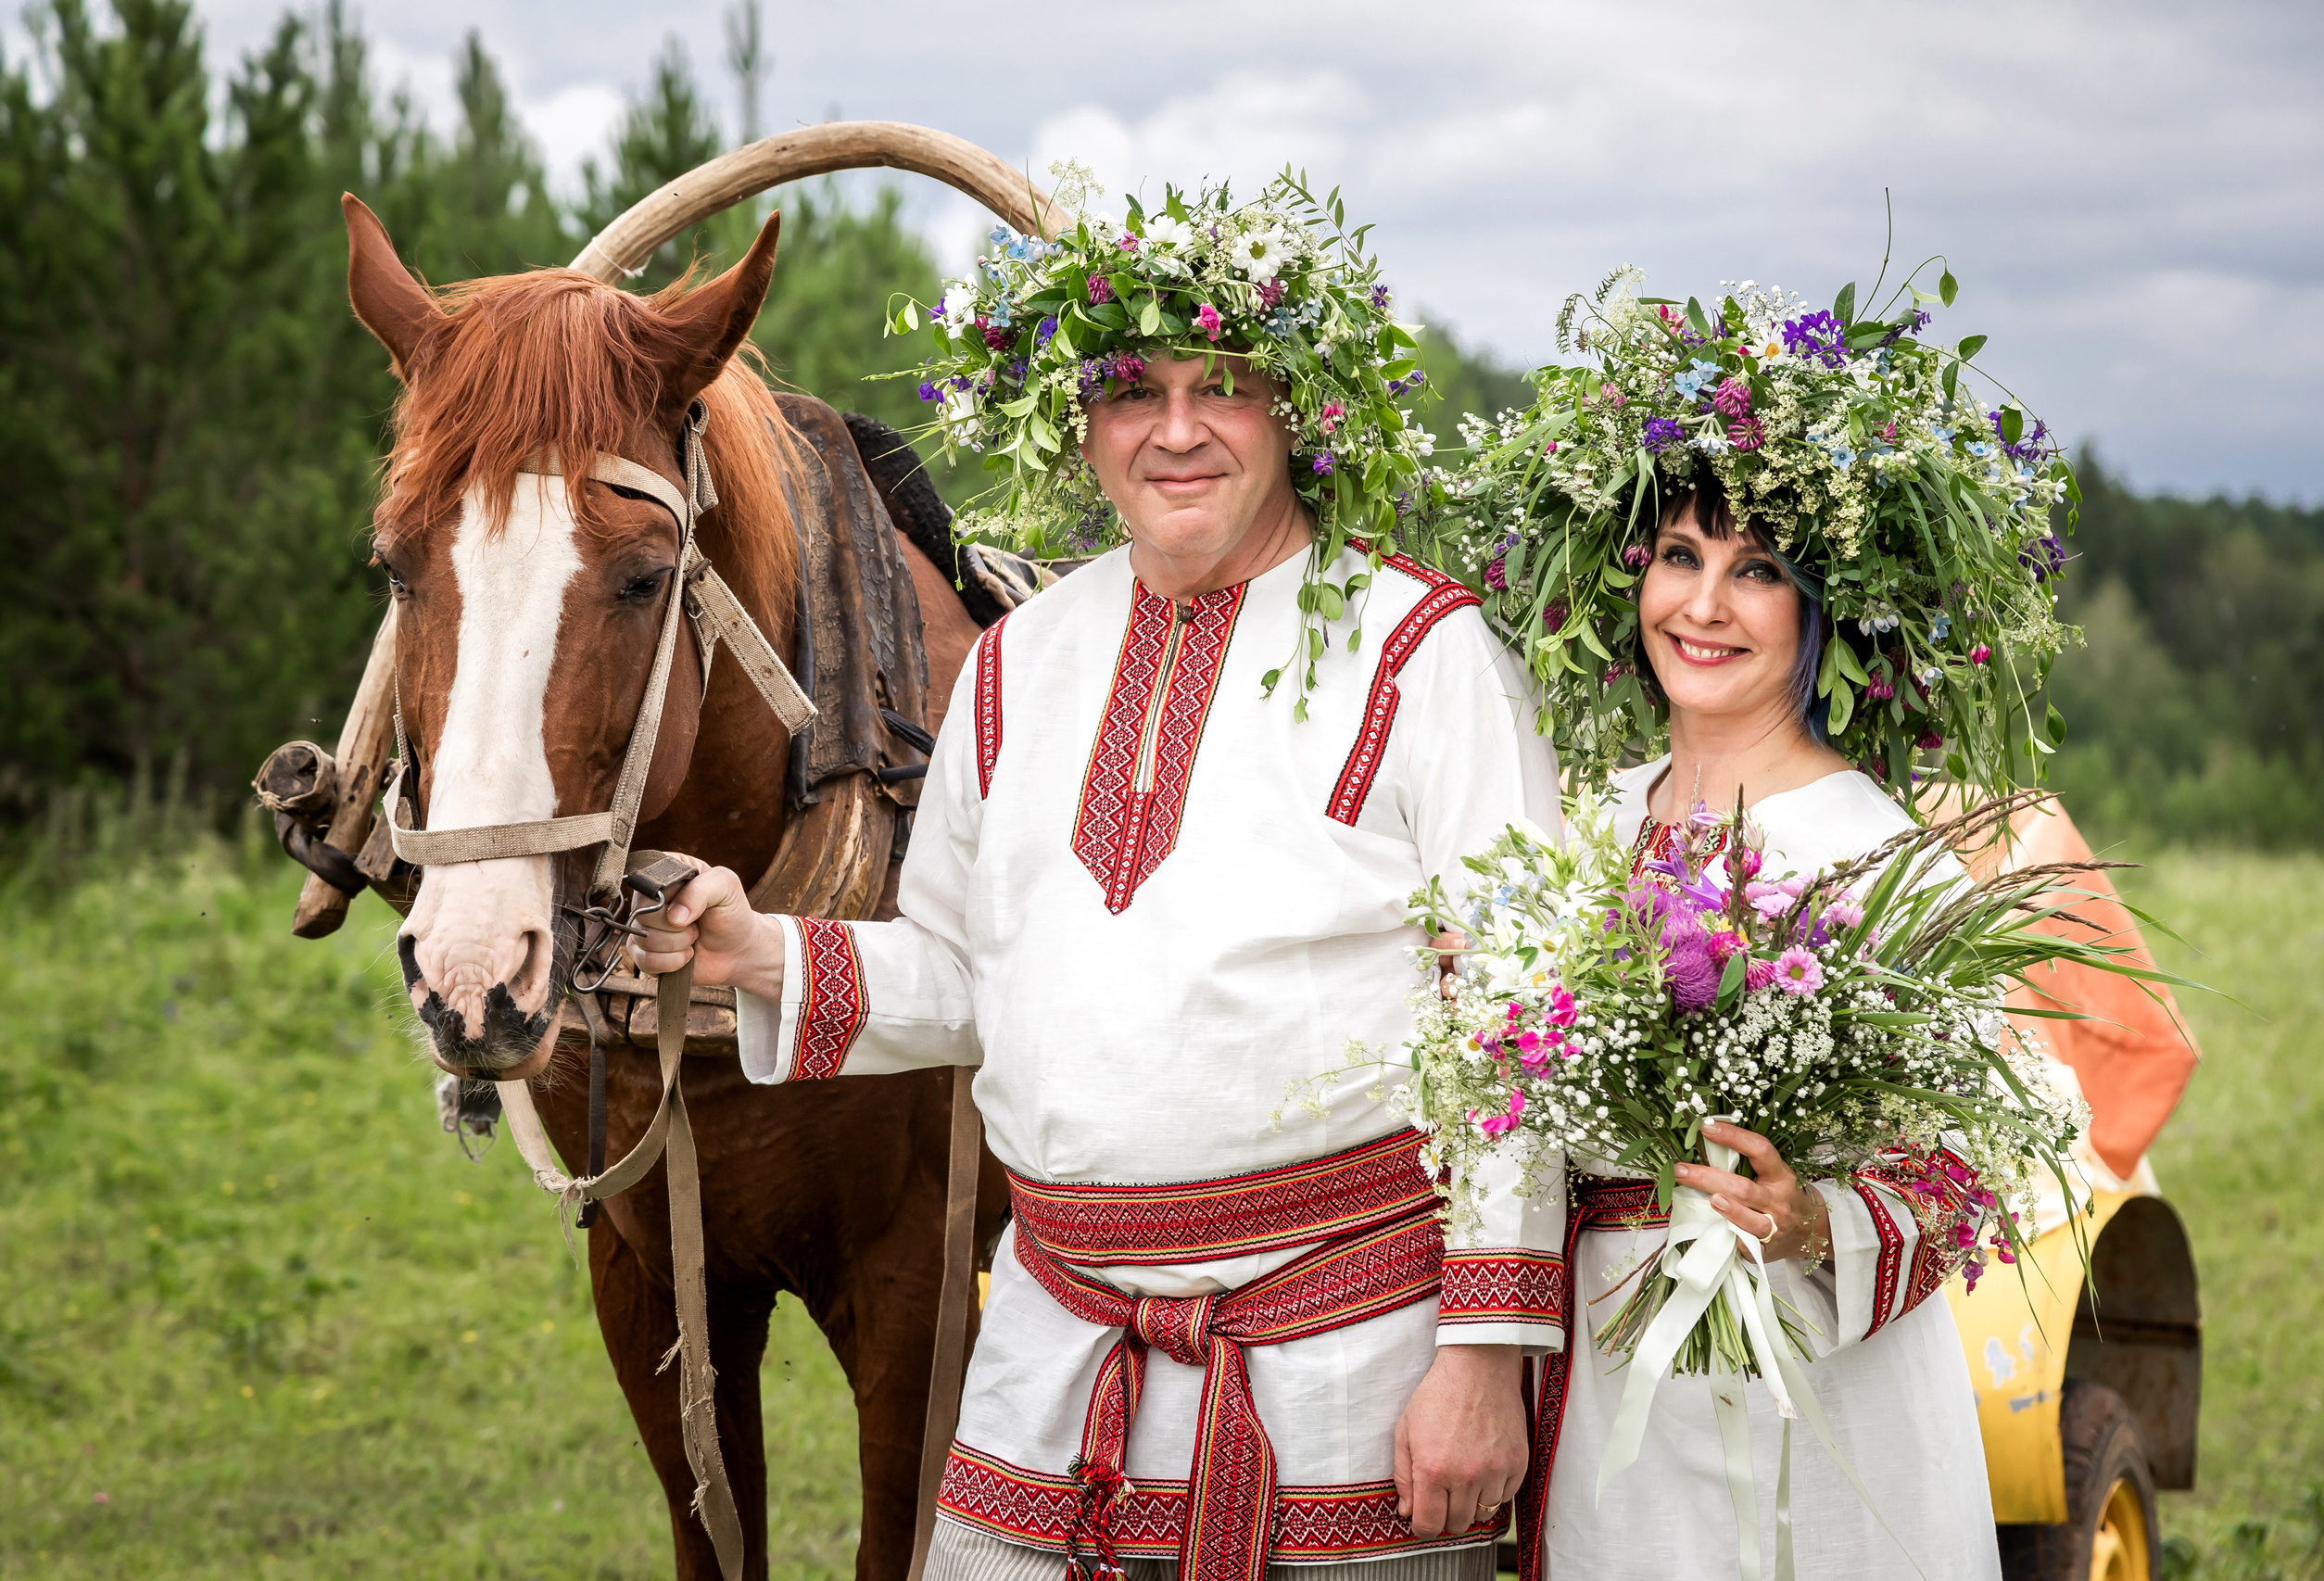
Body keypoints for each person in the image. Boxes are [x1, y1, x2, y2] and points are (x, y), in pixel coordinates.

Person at [634, 176, 1567, 1581]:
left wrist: (1483, 1359)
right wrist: (757, 951)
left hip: (1343, 1383)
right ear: (1081, 422)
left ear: (1298, 405)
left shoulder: (1425, 652)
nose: (1176, 431)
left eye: (1225, 386)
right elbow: (960, 972)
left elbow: (1522, 1017)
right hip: (1052, 1374)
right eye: (1133, 389)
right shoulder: (1020, 662)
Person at [1521, 485, 2000, 1580]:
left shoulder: (1880, 853)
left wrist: (1811, 1222)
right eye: (1678, 555)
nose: (1702, 604)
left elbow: (1970, 1166)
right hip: (1605, 1372)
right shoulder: (1584, 818)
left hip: (1812, 1385)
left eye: (1757, 571)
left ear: (1825, 608)